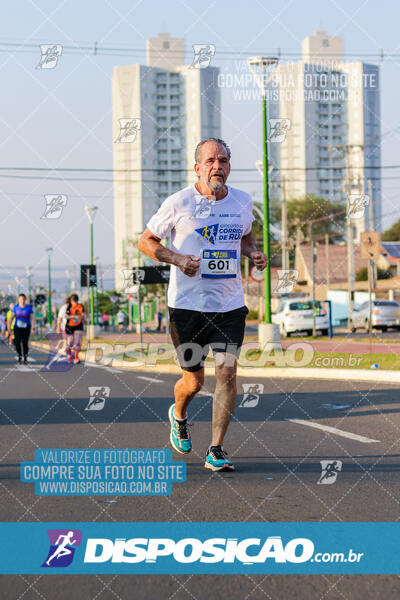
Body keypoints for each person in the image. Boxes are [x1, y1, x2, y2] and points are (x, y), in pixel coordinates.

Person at [138, 138, 268, 472]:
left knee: (226, 372)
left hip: (229, 305)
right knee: (193, 381)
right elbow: (146, 241)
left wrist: (252, 253)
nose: (217, 166)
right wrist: (178, 259)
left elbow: (245, 235)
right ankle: (178, 413)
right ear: (197, 167)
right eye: (210, 161)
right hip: (187, 307)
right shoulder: (179, 202)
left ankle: (217, 449)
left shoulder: (242, 201)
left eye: (223, 160)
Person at [10, 294, 34, 364]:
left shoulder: (29, 308)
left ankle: (25, 358)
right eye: (21, 299)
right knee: (17, 342)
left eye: (23, 299)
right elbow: (11, 318)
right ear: (18, 300)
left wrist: (33, 328)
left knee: (25, 343)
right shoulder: (16, 307)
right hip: (17, 327)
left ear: (25, 299)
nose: (22, 301)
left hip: (26, 327)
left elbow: (32, 318)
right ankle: (20, 356)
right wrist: (9, 328)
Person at [65, 294, 85, 364]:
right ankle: (69, 354)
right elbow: (66, 316)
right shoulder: (69, 306)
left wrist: (82, 317)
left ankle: (76, 357)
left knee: (77, 342)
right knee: (70, 342)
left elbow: (83, 314)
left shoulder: (81, 306)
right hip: (70, 326)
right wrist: (73, 316)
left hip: (78, 325)